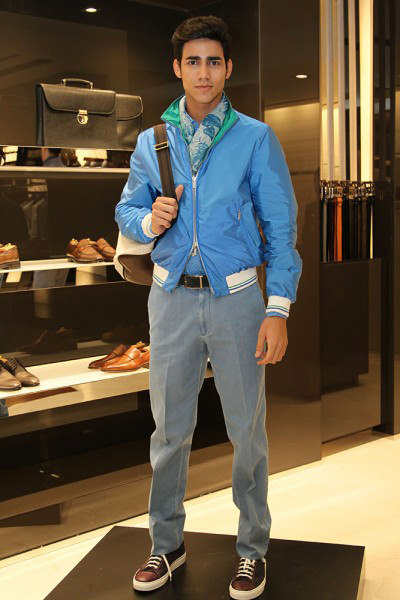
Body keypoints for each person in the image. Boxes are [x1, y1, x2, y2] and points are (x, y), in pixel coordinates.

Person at [115, 15, 302, 600]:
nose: (203, 72)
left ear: (228, 68)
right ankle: (166, 544)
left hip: (239, 300)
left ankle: (252, 550)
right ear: (177, 68)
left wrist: (278, 309)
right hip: (170, 298)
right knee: (169, 431)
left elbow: (281, 230)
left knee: (247, 432)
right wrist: (149, 220)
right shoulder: (153, 140)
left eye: (213, 62)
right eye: (192, 61)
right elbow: (126, 212)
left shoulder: (255, 137)